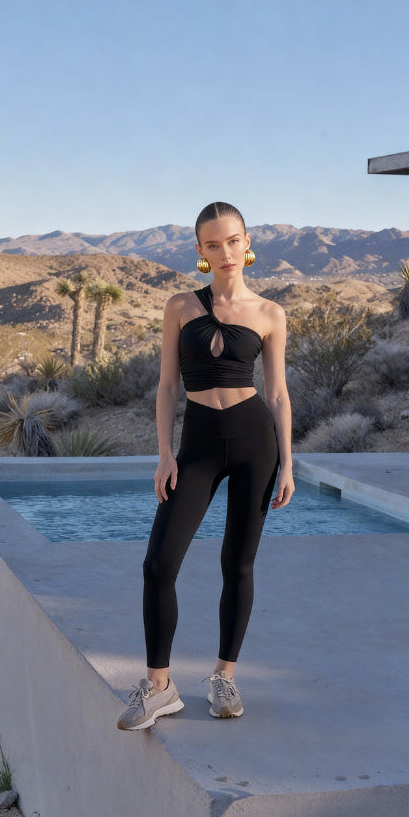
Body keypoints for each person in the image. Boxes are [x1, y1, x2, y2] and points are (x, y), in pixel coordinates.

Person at [117, 202, 294, 731]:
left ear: (247, 243)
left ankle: (224, 676)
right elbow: (169, 385)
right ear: (199, 251)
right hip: (196, 442)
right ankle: (159, 687)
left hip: (253, 442)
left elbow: (279, 393)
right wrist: (165, 452)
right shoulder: (179, 307)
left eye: (233, 241)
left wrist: (288, 463)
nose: (224, 252)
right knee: (158, 564)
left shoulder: (270, 313)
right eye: (212, 244)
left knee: (237, 564)